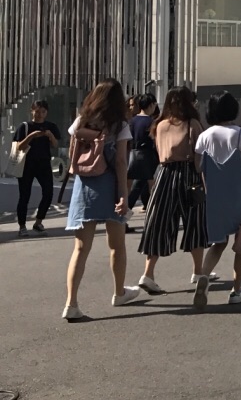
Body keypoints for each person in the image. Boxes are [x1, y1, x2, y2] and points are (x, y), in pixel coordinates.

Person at [63, 79, 143, 320]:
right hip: (109, 186)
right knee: (116, 245)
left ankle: (71, 303)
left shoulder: (81, 121)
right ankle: (119, 292)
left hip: (83, 187)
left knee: (80, 248)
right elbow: (120, 162)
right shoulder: (119, 126)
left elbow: (72, 155)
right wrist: (123, 194)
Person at [136, 87, 208, 294]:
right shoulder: (192, 123)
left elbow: (160, 151)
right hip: (187, 174)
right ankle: (198, 271)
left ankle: (148, 273)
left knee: (158, 222)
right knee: (195, 221)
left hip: (163, 173)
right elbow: (198, 155)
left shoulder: (159, 124)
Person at [194, 93, 241, 307]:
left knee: (218, 242)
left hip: (215, 198)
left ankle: (204, 276)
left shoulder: (204, 136)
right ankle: (236, 290)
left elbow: (200, 167)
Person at [13, 99, 60, 238]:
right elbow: (19, 147)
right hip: (26, 164)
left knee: (48, 192)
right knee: (24, 196)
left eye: (43, 112)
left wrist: (50, 135)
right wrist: (32, 136)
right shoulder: (24, 126)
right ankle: (22, 226)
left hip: (44, 164)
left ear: (47, 113)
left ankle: (38, 222)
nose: (39, 114)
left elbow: (55, 145)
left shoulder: (51, 126)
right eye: (37, 111)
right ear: (32, 110)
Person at [126, 93, 160, 223]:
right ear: (151, 105)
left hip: (132, 154)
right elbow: (155, 141)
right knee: (152, 187)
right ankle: (155, 216)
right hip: (147, 156)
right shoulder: (151, 122)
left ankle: (123, 218)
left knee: (129, 187)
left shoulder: (132, 121)